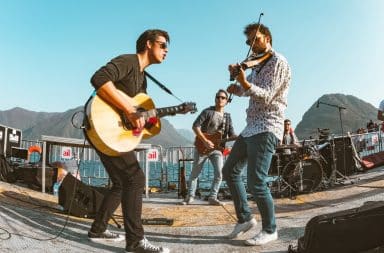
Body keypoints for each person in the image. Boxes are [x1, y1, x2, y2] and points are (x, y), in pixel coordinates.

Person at [86, 29, 170, 253]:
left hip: (112, 132)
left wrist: (146, 121)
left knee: (121, 182)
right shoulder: (129, 61)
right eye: (163, 45)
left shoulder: (142, 79)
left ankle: (98, 228)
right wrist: (128, 110)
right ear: (148, 44)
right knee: (135, 178)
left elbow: (137, 115)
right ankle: (135, 241)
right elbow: (98, 78)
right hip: (101, 127)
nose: (167, 50)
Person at [223, 22, 291, 246]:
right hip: (251, 126)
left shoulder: (278, 62)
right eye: (249, 42)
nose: (252, 45)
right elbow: (247, 89)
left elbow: (268, 95)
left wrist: (243, 82)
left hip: (268, 126)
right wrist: (237, 87)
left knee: (256, 181)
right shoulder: (256, 66)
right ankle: (244, 218)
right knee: (230, 170)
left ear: (268, 38)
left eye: (257, 39)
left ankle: (271, 229)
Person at [181, 89, 236, 205]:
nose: (220, 99)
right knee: (195, 173)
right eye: (218, 97)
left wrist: (241, 136)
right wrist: (205, 141)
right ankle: (190, 196)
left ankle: (212, 197)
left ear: (227, 101)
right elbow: (195, 126)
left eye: (223, 98)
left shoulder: (227, 117)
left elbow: (231, 135)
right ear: (215, 99)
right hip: (203, 147)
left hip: (217, 149)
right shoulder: (207, 112)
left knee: (219, 173)